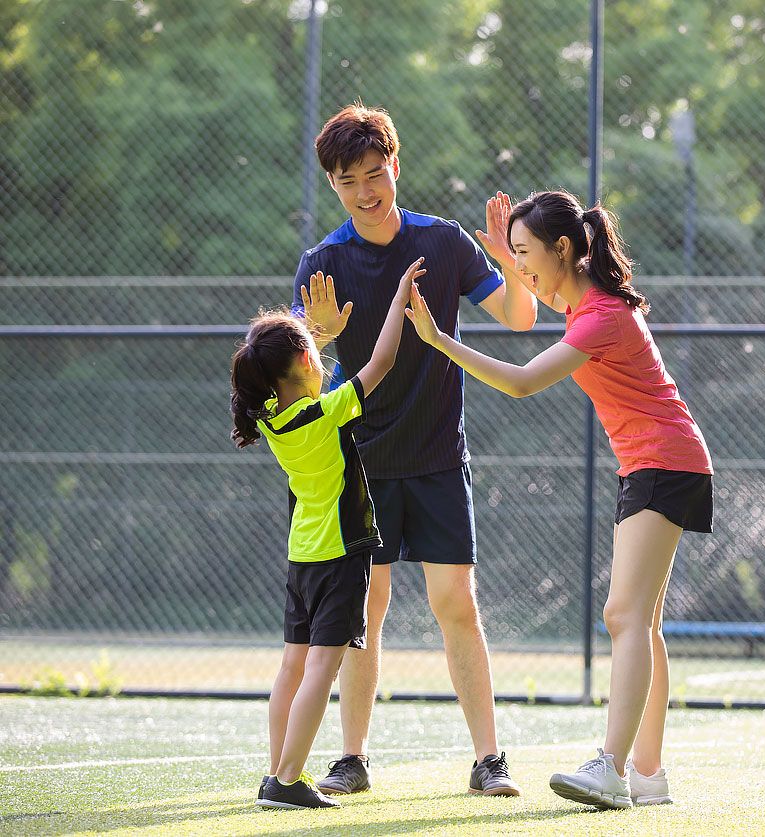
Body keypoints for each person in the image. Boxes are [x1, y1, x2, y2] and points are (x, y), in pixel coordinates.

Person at [406, 189, 714, 810]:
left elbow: (520, 383)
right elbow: (539, 297)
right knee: (641, 625)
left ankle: (613, 768)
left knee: (623, 617)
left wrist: (439, 340)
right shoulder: (582, 306)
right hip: (656, 464)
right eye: (513, 255)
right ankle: (647, 774)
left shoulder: (599, 317)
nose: (518, 268)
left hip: (665, 462)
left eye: (526, 254)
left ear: (565, 249)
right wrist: (506, 253)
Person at [294, 103, 537, 798]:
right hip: (359, 463)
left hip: (436, 456)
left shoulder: (446, 242)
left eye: (376, 173)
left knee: (455, 601)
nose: (367, 191)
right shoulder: (322, 265)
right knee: (362, 608)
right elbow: (307, 383)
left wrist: (506, 260)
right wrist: (323, 340)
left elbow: (522, 317)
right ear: (333, 186)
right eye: (349, 181)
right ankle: (352, 758)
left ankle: (489, 759)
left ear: (394, 166)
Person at [232, 260, 425, 809]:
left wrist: (310, 333)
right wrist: (399, 297)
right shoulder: (326, 414)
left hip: (303, 557)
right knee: (323, 664)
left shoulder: (270, 414)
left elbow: (286, 363)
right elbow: (381, 361)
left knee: (293, 664)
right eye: (315, 355)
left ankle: (277, 772)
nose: (323, 360)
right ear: (301, 365)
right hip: (340, 554)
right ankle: (288, 779)